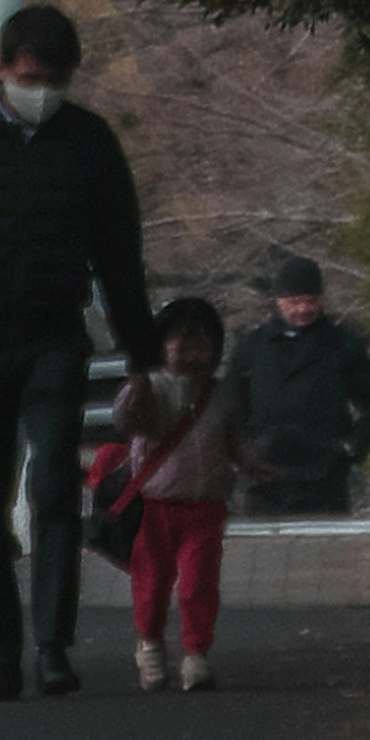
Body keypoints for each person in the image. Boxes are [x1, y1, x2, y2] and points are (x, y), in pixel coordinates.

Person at [0, 0, 160, 697]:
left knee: (55, 486)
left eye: (58, 78)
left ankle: (52, 643)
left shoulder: (88, 143)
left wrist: (142, 359)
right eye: (32, 76)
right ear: (1, 71)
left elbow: (120, 257)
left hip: (54, 336)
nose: (43, 91)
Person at [105, 293, 237, 692]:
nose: (192, 352)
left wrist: (251, 464)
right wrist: (138, 381)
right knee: (152, 582)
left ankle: (196, 656)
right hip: (154, 504)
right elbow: (123, 422)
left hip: (206, 505)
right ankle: (150, 645)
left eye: (201, 343)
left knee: (199, 582)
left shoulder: (222, 394)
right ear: (161, 345)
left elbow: (234, 441)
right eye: (182, 342)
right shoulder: (149, 388)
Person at [223, 251, 370, 513]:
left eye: (311, 301)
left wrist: (352, 445)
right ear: (279, 301)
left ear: (322, 300)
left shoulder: (342, 345)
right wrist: (242, 454)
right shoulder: (253, 348)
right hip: (266, 478)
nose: (303, 309)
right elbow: (229, 407)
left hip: (324, 475)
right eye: (294, 302)